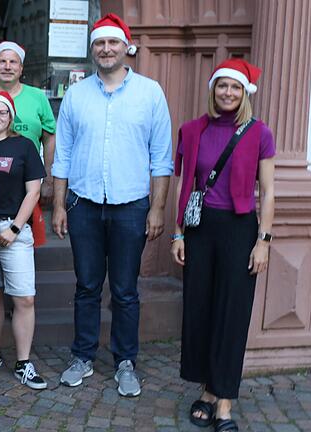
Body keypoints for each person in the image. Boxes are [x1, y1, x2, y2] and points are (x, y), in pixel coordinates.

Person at [51, 13, 173, 397]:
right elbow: (63, 155)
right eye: (100, 44)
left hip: (131, 206)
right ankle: (83, 356)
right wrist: (58, 205)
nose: (106, 50)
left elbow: (161, 157)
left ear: (126, 48)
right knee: (87, 285)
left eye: (112, 43)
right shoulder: (76, 94)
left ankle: (125, 361)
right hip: (83, 204)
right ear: (93, 51)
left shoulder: (150, 93)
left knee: (124, 289)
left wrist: (156, 209)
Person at [172, 59, 275, 432]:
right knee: (200, 310)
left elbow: (269, 192)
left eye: (235, 87)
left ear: (245, 93)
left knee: (232, 314)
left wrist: (263, 240)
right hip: (200, 230)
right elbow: (184, 185)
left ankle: (225, 399)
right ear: (212, 90)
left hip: (240, 229)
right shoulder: (191, 130)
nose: (227, 93)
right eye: (222, 87)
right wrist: (179, 232)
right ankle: (206, 390)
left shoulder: (259, 133)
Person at [0, 91, 47, 390]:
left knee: (24, 297)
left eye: (2, 112)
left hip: (15, 230)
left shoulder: (24, 146)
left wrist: (14, 229)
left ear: (11, 116)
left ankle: (24, 361)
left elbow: (33, 192)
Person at [0, 41, 56, 204]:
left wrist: (48, 179)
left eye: (13, 62)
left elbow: (49, 139)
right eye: (2, 61)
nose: (7, 67)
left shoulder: (38, 97)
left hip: (28, 185)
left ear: (21, 68)